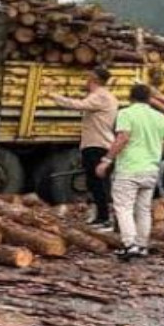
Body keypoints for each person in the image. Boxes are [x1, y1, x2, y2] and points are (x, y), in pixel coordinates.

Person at [95, 84, 164, 260]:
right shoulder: (160, 117)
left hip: (129, 168)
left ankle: (129, 244)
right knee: (144, 210)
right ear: (149, 98)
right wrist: (160, 154)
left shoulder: (126, 114)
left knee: (123, 208)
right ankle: (142, 245)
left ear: (130, 97)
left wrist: (106, 160)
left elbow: (122, 138)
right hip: (151, 169)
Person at [51, 67, 119, 226]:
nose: (85, 82)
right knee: (95, 183)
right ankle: (101, 216)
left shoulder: (101, 97)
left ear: (94, 79)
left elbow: (78, 105)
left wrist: (56, 97)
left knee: (98, 183)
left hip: (98, 145)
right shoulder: (102, 96)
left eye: (88, 78)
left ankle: (104, 217)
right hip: (95, 144)